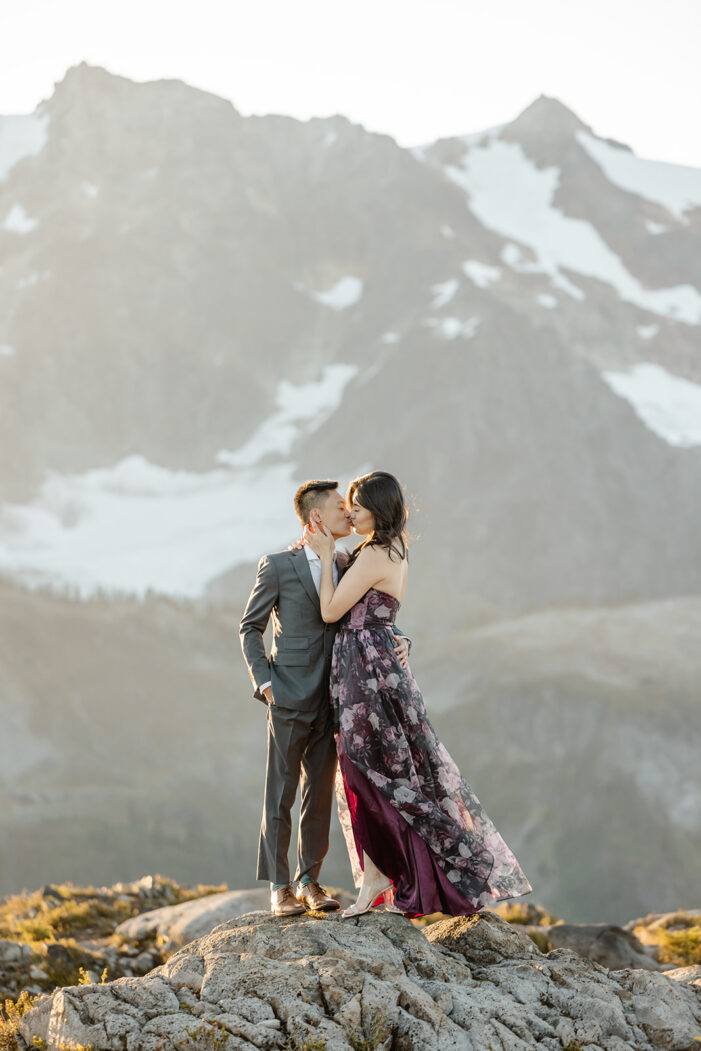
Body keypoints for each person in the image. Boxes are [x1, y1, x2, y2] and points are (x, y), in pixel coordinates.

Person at [304, 470, 533, 918]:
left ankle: (385, 878)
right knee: (379, 771)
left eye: (359, 505)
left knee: (367, 769)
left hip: (367, 669)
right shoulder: (385, 549)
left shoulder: (373, 555)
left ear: (380, 510)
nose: (351, 510)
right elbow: (379, 611)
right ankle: (378, 877)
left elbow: (332, 611)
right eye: (348, 501)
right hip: (372, 664)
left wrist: (330, 551)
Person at [239, 479, 411, 917]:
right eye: (340, 507)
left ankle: (309, 881)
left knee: (319, 794)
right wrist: (265, 682)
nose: (349, 513)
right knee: (280, 793)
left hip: (335, 699)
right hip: (288, 695)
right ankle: (279, 888)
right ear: (317, 518)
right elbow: (250, 628)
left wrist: (401, 638)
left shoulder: (347, 560)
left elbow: (369, 611)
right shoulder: (277, 565)